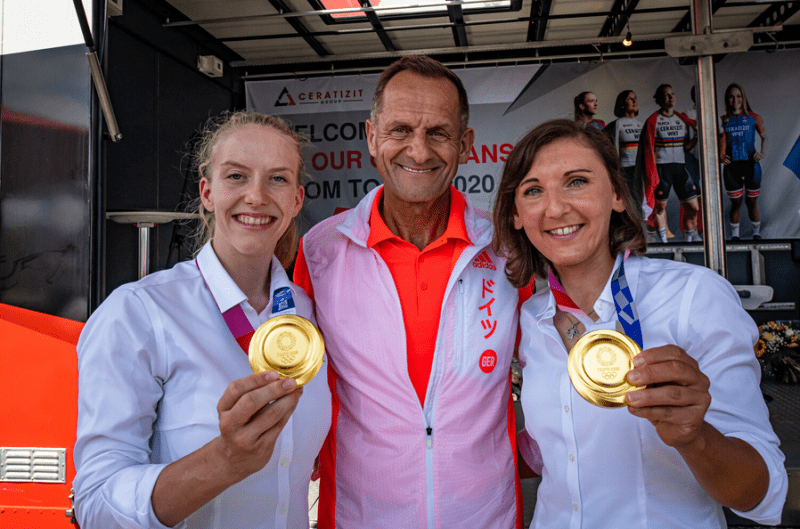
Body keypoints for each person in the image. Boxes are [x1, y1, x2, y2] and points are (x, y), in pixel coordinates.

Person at [493, 119, 787, 528]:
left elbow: (762, 494)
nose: (555, 208)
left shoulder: (694, 296)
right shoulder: (527, 318)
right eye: (533, 190)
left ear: (616, 194)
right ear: (517, 215)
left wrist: (695, 437)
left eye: (576, 182)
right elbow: (556, 450)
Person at [293, 56, 524, 528]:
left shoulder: (507, 251)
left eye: (438, 133)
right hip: (359, 517)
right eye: (400, 130)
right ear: (373, 137)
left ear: (465, 145)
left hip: (486, 517)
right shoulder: (321, 251)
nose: (419, 151)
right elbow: (297, 386)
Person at [73, 112, 331, 529]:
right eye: (236, 176)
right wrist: (224, 461)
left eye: (278, 179)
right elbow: (95, 504)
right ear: (207, 192)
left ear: (297, 200)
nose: (256, 196)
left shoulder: (307, 313)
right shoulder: (138, 313)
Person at [637, 84, 701, 243]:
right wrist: (649, 173)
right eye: (666, 95)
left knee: (693, 208)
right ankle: (664, 243)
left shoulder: (682, 118)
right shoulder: (653, 120)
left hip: (680, 168)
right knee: (659, 209)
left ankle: (689, 239)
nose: (671, 97)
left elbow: (685, 147)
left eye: (672, 94)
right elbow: (647, 149)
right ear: (659, 100)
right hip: (662, 169)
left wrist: (695, 139)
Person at [719, 83, 768, 240]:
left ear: (743, 98)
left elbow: (765, 137)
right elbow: (715, 140)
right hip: (731, 167)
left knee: (751, 202)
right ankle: (735, 236)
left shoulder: (754, 117)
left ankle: (756, 234)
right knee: (736, 203)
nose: (735, 100)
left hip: (751, 166)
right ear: (727, 100)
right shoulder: (723, 120)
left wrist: (762, 153)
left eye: (738, 96)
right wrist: (719, 154)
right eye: (732, 97)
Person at [603, 90, 644, 212]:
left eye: (635, 98)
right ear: (622, 104)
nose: (634, 101)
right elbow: (604, 147)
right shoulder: (616, 125)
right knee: (631, 203)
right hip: (625, 169)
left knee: (643, 203)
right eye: (629, 99)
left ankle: (644, 228)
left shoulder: (642, 125)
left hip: (641, 169)